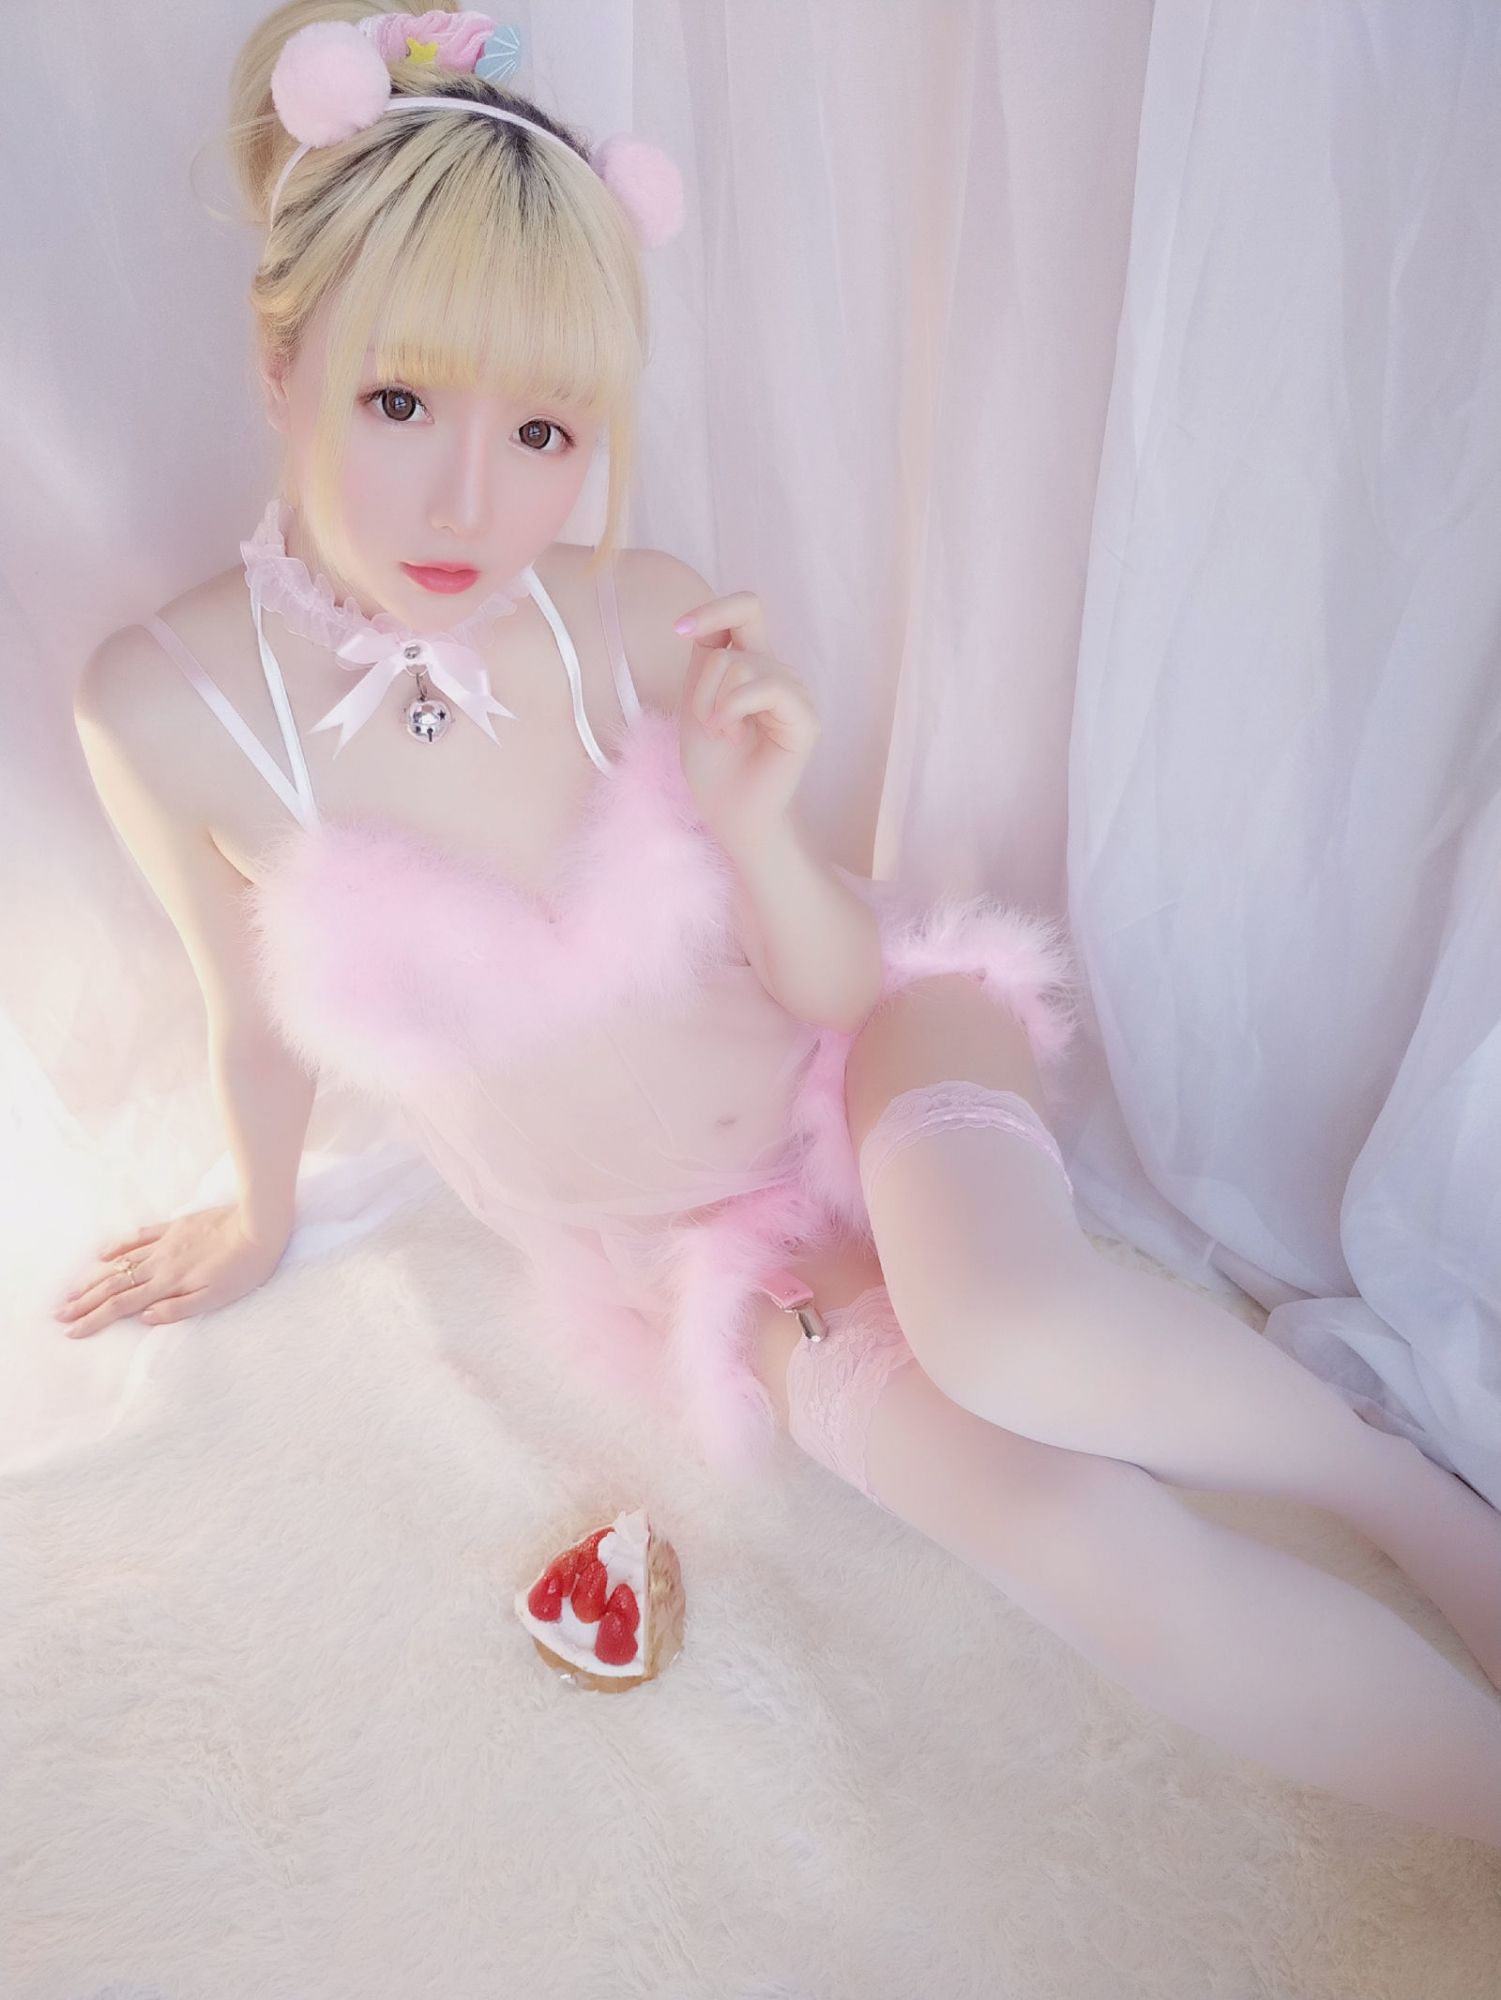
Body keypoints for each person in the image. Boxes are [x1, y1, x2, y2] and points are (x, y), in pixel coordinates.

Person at [56, 2, 1501, 1848]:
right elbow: (249, 1012)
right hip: (692, 1237)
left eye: (543, 429)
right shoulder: (167, 710)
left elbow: (826, 976)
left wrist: (750, 820)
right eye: (400, 401)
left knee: (1010, 1332)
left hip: (874, 1042)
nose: (470, 501)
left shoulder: (631, 615)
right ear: (283, 368)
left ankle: (1402, 1497)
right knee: (1069, 1540)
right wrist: (257, 1216)